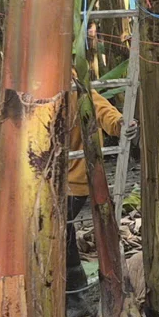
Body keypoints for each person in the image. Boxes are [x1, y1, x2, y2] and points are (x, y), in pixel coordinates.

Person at [65, 86, 125, 305]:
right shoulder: (38, 91)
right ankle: (71, 294)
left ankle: (76, 296)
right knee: (62, 231)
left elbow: (104, 112)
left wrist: (122, 125)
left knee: (60, 229)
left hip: (74, 178)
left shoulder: (75, 88)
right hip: (45, 180)